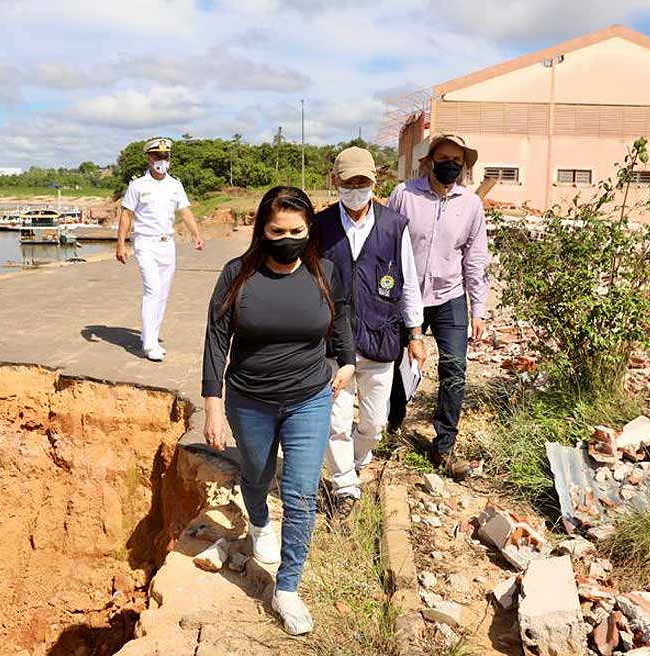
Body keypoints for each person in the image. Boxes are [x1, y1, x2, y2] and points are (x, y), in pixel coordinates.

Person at [201, 186, 355, 635]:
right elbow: (215, 339)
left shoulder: (326, 272)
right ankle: (259, 523)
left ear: (309, 231)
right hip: (249, 400)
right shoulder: (237, 275)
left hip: (310, 396)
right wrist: (212, 405)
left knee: (302, 493)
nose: (286, 237)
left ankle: (286, 588)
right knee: (256, 473)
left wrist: (346, 360)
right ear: (261, 231)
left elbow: (341, 318)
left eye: (296, 230)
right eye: (276, 230)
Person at [313, 147, 425, 518]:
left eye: (363, 182)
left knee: (374, 422)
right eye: (349, 183)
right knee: (336, 420)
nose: (356, 189)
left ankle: (356, 464)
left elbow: (408, 283)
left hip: (381, 335)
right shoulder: (321, 227)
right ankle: (345, 484)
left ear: (375, 183)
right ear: (336, 183)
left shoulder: (394, 226)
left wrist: (415, 334)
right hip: (334, 341)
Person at [386, 134, 490, 476]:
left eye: (457, 161)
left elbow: (475, 259)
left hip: (450, 296)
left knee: (455, 369)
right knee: (397, 365)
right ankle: (392, 426)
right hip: (405, 295)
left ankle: (443, 445)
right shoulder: (405, 195)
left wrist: (478, 308)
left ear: (464, 166)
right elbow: (384, 245)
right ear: (429, 160)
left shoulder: (471, 205)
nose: (450, 165)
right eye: (443, 158)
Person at [116, 137, 204, 362]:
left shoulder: (175, 185)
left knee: (162, 294)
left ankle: (150, 335)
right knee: (153, 289)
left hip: (168, 244)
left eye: (165, 156)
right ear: (149, 158)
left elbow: (184, 211)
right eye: (157, 156)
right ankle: (149, 344)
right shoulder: (138, 185)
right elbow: (127, 214)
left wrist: (196, 235)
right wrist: (121, 244)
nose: (161, 161)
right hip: (145, 242)